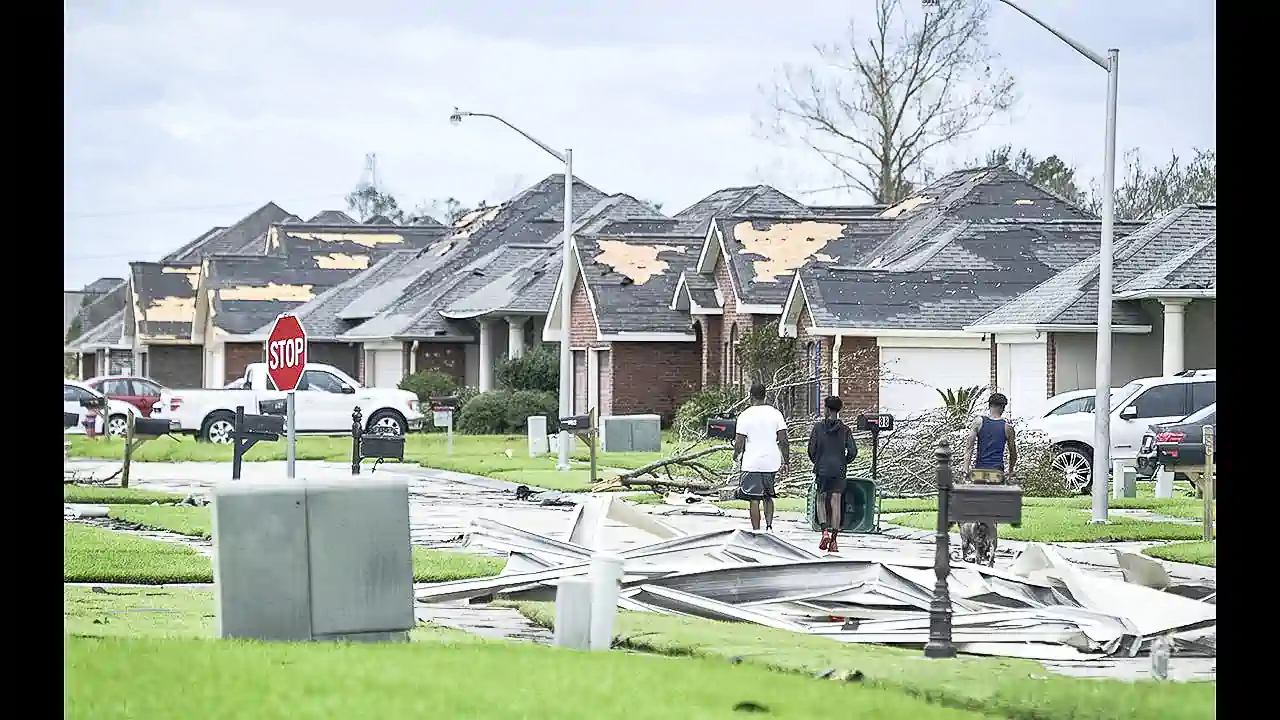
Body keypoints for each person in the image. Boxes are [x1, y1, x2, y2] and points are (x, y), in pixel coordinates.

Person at [961, 392, 1017, 565]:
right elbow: (1013, 453)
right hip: (996, 474)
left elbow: (969, 447)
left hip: (979, 473)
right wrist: (1011, 471)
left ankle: (975, 549)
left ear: (989, 405)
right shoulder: (1008, 428)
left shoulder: (978, 422)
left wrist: (965, 469)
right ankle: (990, 556)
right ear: (1003, 408)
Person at [733, 382, 790, 532]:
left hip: (752, 462)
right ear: (765, 395)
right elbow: (783, 440)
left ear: (750, 396)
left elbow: (739, 442)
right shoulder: (776, 413)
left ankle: (756, 531)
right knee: (768, 496)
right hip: (771, 461)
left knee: (754, 498)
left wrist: (736, 455)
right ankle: (769, 527)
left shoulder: (745, 415)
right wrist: (786, 460)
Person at [807, 396, 857, 553]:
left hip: (822, 468)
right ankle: (834, 541)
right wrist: (844, 461)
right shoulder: (845, 430)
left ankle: (824, 532)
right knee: (836, 502)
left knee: (821, 499)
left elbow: (811, 450)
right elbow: (853, 451)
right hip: (839, 469)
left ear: (827, 409)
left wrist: (818, 461)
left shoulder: (818, 428)